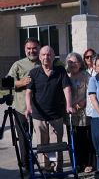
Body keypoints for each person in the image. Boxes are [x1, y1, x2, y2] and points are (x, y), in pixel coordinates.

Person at [25, 46, 74, 173]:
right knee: (42, 145)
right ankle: (45, 168)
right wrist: (29, 107)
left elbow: (67, 88)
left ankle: (58, 169)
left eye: (49, 54)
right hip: (38, 116)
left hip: (56, 115)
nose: (46, 57)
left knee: (56, 144)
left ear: (53, 56)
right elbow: (28, 92)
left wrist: (68, 105)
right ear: (40, 57)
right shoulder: (34, 73)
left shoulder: (60, 71)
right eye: (43, 55)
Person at [7, 37, 40, 172]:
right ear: (24, 49)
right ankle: (26, 165)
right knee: (23, 138)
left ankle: (47, 164)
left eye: (34, 48)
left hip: (40, 109)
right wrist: (22, 82)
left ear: (39, 48)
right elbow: (8, 82)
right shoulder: (18, 64)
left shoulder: (44, 61)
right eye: (28, 48)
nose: (31, 51)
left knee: (42, 138)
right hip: (22, 108)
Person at [65, 52, 95, 173]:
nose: (73, 65)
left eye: (75, 62)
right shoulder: (65, 76)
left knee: (85, 139)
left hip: (83, 113)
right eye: (70, 62)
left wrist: (82, 103)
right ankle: (75, 163)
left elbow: (91, 92)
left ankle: (87, 163)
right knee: (73, 139)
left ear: (80, 63)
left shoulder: (86, 75)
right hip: (70, 114)